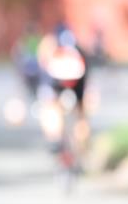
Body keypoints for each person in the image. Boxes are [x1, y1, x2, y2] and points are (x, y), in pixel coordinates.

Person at [36, 23, 90, 157]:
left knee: (51, 107)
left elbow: (43, 66)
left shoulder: (50, 48)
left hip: (63, 78)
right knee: (79, 113)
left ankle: (56, 138)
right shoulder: (78, 50)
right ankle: (80, 145)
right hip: (74, 78)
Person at [12, 22, 42, 102]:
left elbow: (17, 56)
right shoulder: (38, 40)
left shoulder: (23, 41)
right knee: (35, 90)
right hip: (35, 70)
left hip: (28, 70)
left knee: (29, 90)